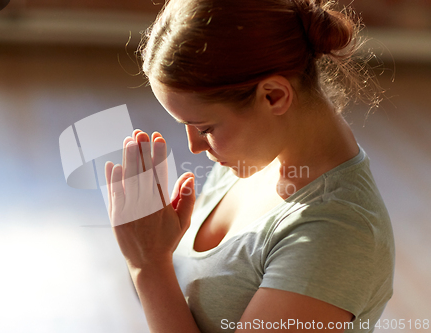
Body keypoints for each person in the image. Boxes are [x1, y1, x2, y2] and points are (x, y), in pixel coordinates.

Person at [104, 0, 395, 332]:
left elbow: (159, 283)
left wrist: (149, 265)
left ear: (273, 96)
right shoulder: (256, 158)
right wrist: (150, 249)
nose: (194, 146)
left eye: (205, 128)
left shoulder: (336, 234)